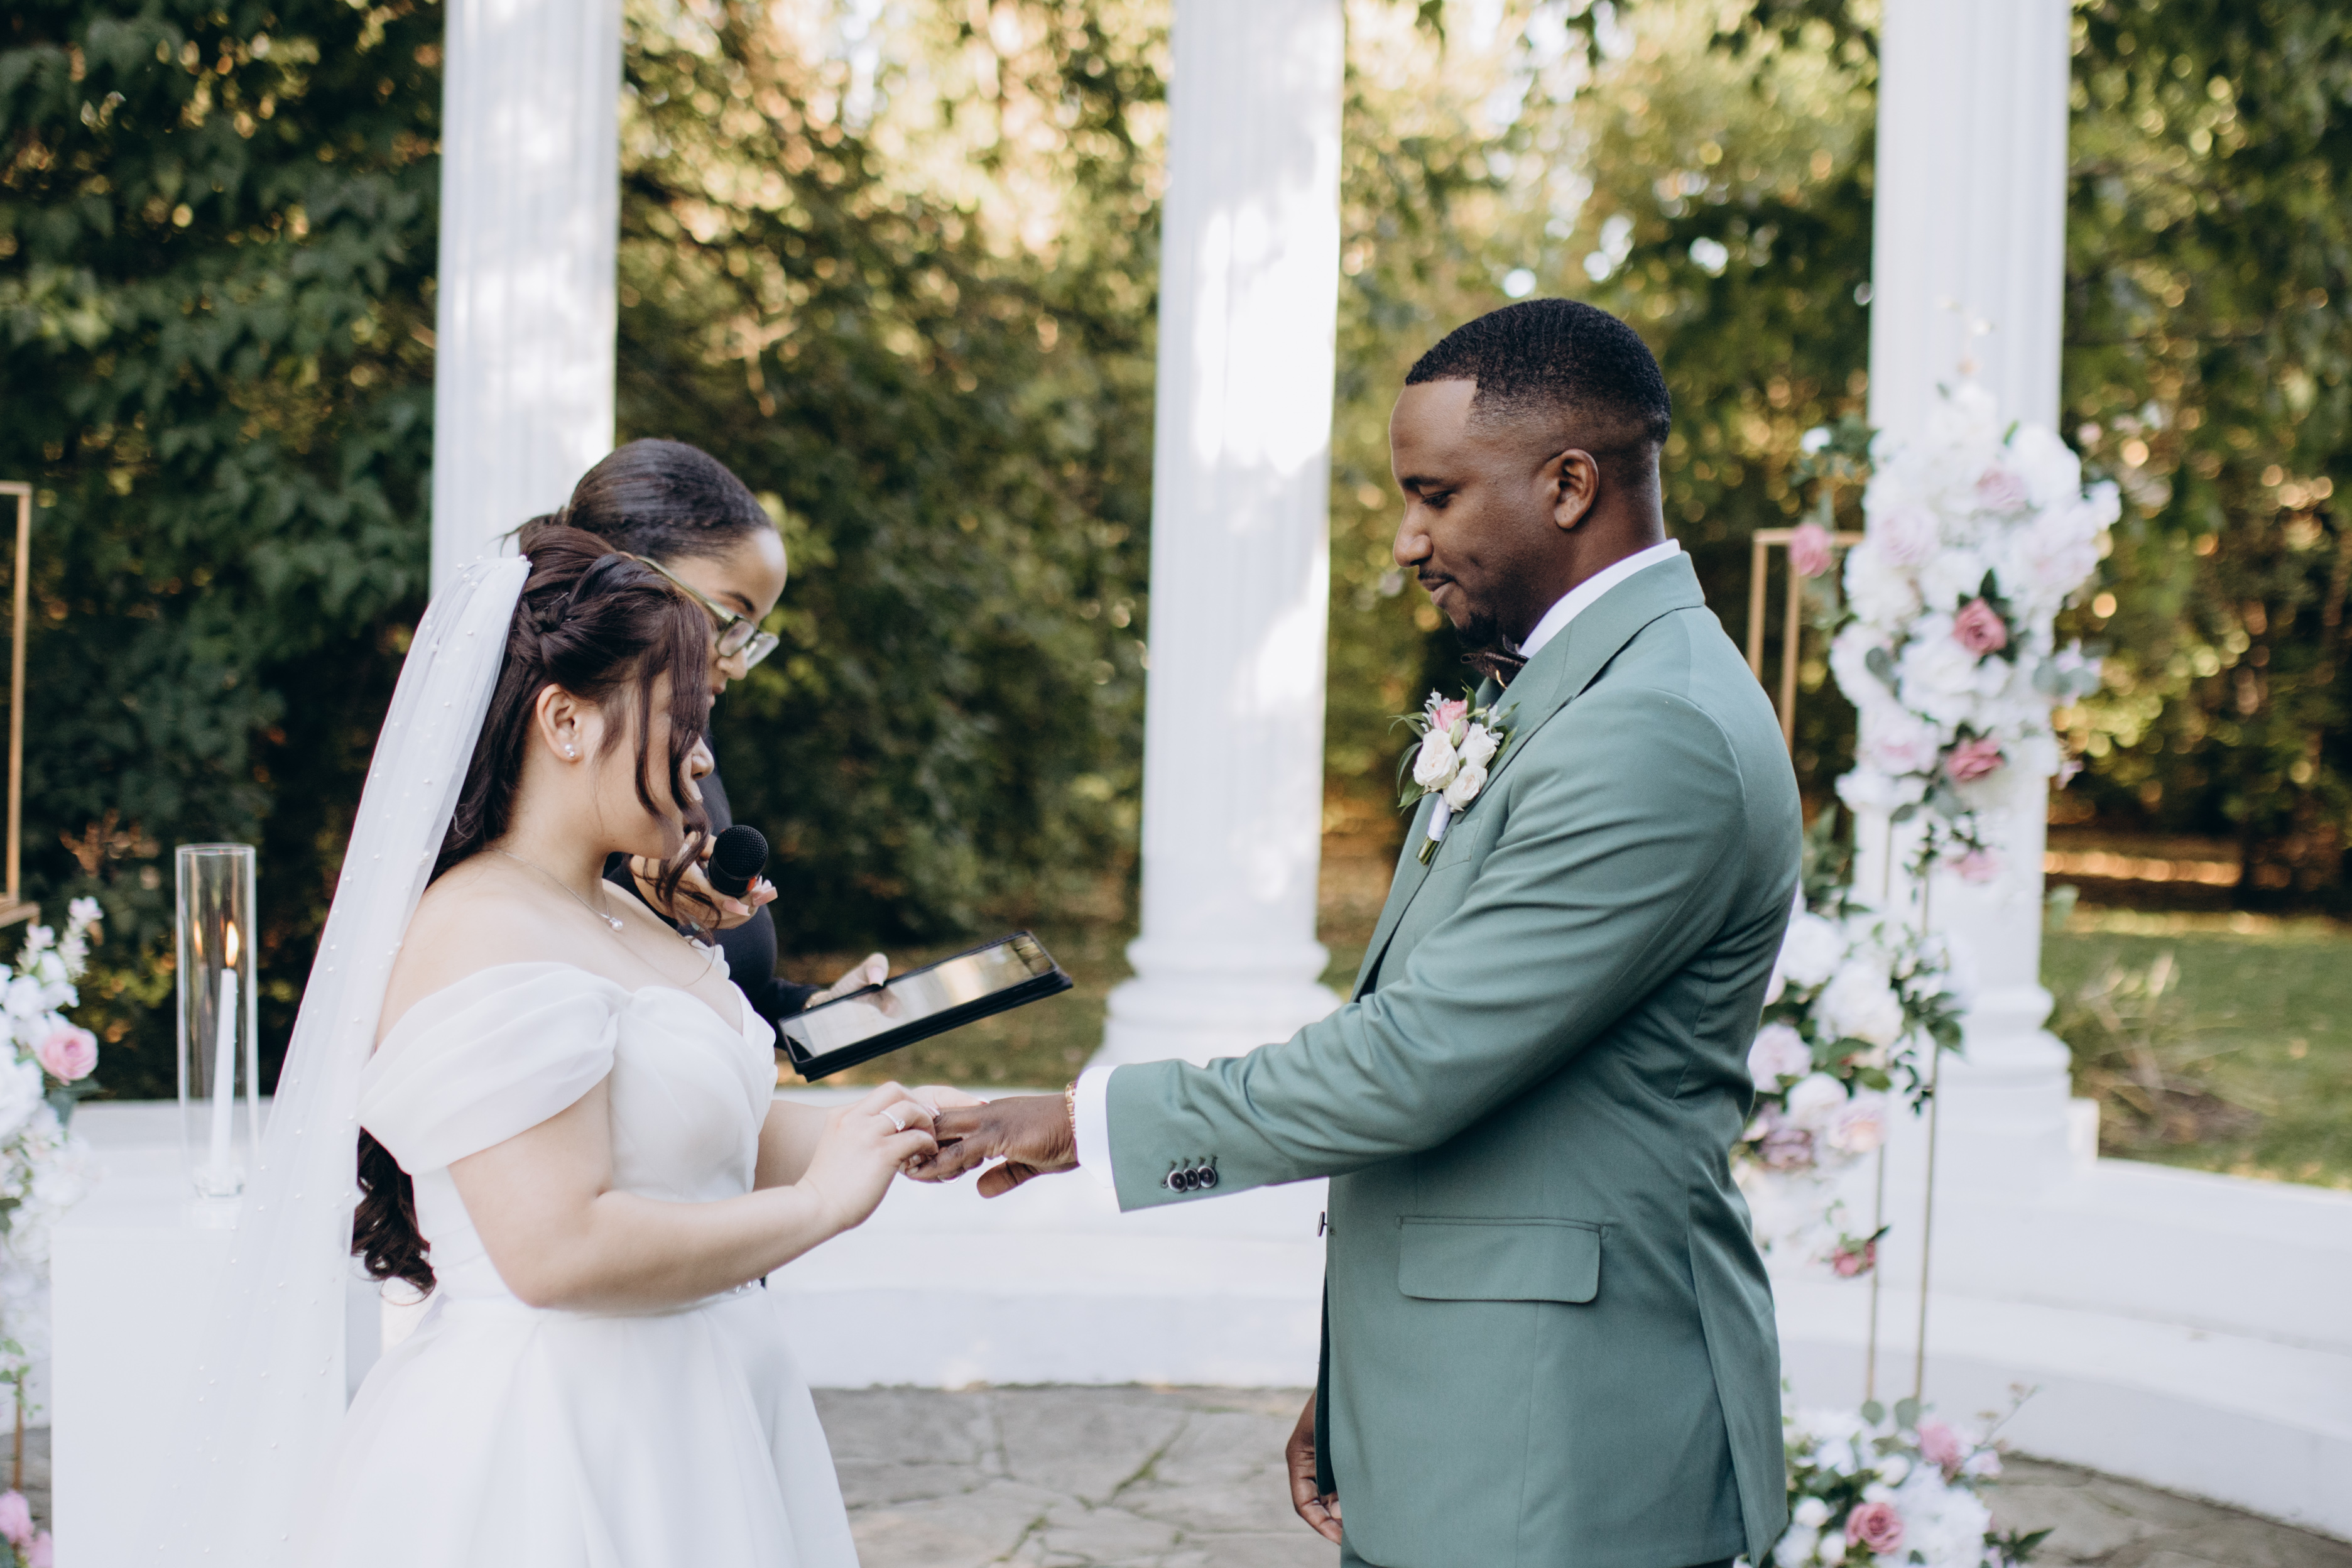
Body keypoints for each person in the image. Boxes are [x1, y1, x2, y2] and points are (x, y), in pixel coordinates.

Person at [917, 298, 1802, 1568]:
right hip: (1480, 1398)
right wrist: (1376, 1380)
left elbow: (1417, 1058)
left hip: (1562, 1448)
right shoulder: (1580, 694)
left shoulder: (1652, 727)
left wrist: (1085, 1121)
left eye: (1435, 495)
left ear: (1569, 485)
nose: (1405, 541)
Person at [167, 528, 969, 1565]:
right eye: (683, 721)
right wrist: (818, 1208)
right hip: (559, 1443)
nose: (704, 758)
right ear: (565, 721)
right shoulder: (481, 928)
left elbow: (707, 1139)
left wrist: (901, 1124)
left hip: (705, 1413)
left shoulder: (625, 909)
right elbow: (555, 1250)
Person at [520, 438, 888, 1034]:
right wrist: (639, 896)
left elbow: (725, 991)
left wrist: (817, 1015)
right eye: (729, 619)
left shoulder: (689, 743)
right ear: (631, 572)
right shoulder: (549, 754)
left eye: (753, 635)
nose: (738, 663)